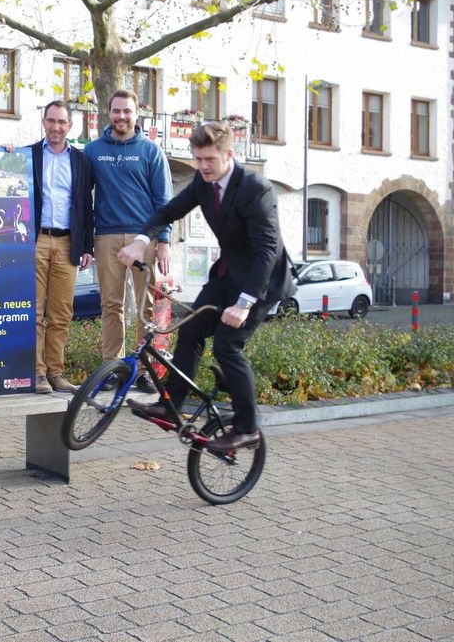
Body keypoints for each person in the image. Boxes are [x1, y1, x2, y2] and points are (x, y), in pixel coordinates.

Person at [118, 121, 295, 452]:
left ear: (229, 154)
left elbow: (267, 251)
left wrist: (243, 305)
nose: (202, 167)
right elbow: (170, 210)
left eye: (209, 160)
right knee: (191, 329)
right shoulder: (204, 181)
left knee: (228, 346)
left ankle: (247, 428)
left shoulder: (255, 189)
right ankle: (172, 407)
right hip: (228, 273)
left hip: (261, 281)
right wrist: (141, 240)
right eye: (198, 159)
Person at [85, 89, 172, 393]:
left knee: (146, 306)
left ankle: (144, 369)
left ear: (137, 114)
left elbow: (164, 200)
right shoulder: (93, 151)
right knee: (110, 305)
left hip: (143, 238)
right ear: (108, 113)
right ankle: (113, 367)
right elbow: (82, 196)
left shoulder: (150, 151)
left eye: (127, 112)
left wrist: (164, 240)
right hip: (106, 236)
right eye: (116, 111)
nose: (121, 117)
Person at [30, 100, 94, 394]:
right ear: (43, 122)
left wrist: (87, 246)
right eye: (51, 120)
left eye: (61, 122)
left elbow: (86, 206)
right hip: (37, 240)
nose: (56, 127)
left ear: (70, 126)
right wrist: (5, 154)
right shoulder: (29, 155)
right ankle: (37, 372)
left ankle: (56, 372)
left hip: (68, 242)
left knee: (61, 313)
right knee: (34, 311)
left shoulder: (81, 161)